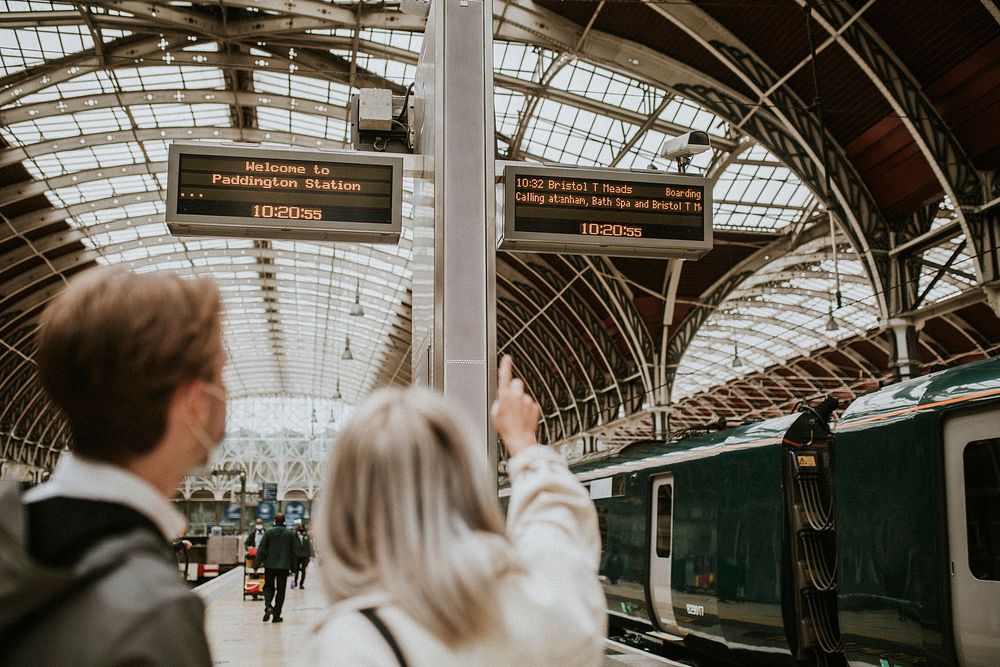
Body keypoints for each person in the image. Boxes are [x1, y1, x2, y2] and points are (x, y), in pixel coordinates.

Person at [308, 355, 605, 666]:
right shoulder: (544, 603)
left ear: (343, 507)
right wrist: (522, 443)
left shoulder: (355, 642)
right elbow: (558, 527)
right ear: (470, 483)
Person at [0, 266, 226, 665]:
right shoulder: (155, 614)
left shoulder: (14, 539)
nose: (226, 394)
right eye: (220, 376)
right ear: (194, 404)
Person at [257, 511, 297, 623]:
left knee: (268, 587)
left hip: (269, 566)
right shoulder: (290, 534)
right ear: (284, 521)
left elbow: (261, 549)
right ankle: (276, 615)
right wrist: (294, 568)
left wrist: (256, 564)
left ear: (274, 521)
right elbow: (293, 552)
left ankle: (268, 606)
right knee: (281, 591)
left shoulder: (269, 533)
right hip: (283, 567)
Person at [292, 519, 313, 589]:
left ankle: (301, 583)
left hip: (304, 556)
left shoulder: (306, 536)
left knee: (303, 571)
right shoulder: (294, 536)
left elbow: (308, 546)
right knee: (296, 571)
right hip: (296, 556)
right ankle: (295, 583)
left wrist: (309, 555)